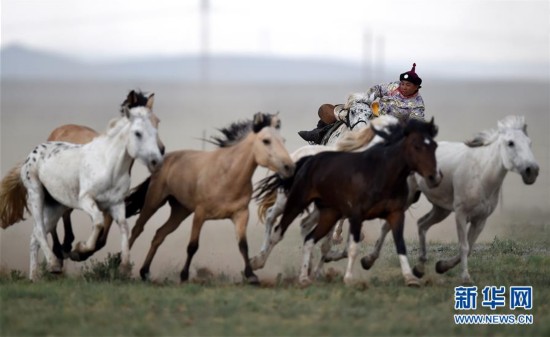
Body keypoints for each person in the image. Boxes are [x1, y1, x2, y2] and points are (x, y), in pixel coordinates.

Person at [298, 63, 425, 144]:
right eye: (402, 83)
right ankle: (318, 133)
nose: (403, 87)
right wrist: (365, 100)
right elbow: (377, 89)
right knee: (342, 110)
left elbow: (415, 125)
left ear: (416, 87)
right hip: (373, 114)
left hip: (389, 128)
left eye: (408, 85)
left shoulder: (417, 105)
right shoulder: (393, 86)